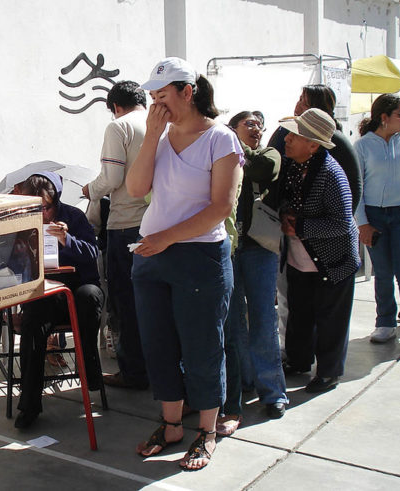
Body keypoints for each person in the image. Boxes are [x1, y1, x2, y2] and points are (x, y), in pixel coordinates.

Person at [127, 57, 243, 470]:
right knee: (158, 344)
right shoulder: (157, 138)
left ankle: (207, 431)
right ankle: (171, 424)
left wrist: (164, 238)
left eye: (163, 97)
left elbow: (220, 207)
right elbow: (137, 188)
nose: (157, 106)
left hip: (199, 257)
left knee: (202, 347)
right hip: (153, 256)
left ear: (187, 92)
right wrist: (151, 135)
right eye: (153, 99)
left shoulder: (221, 139)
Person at [268, 84, 361, 354]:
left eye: (294, 136)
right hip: (301, 258)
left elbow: (343, 222)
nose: (286, 139)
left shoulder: (331, 174)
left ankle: (328, 372)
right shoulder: (296, 166)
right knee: (299, 313)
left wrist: (301, 227)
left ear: (312, 145)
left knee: (330, 320)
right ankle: (298, 360)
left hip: (332, 260)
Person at [13, 172, 104, 429]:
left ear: (56, 201)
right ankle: (29, 405)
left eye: (47, 207)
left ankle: (90, 372)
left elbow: (92, 253)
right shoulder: (23, 221)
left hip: (77, 288)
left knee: (89, 298)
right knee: (32, 324)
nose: (43, 213)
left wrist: (67, 240)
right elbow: (9, 263)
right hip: (45, 293)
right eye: (37, 208)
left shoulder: (73, 217)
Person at [217, 111, 287, 437]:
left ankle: (273, 393)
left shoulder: (269, 152)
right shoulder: (225, 154)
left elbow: (266, 168)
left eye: (260, 124)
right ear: (233, 129)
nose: (257, 129)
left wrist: (232, 150)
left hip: (259, 247)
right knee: (233, 323)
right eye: (249, 124)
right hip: (230, 248)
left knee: (262, 318)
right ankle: (244, 382)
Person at [82, 80, 149, 390]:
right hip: (160, 223)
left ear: (116, 107)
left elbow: (111, 177)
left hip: (126, 224)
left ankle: (134, 372)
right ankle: (160, 369)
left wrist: (89, 190)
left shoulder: (119, 127)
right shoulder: (160, 123)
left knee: (126, 301)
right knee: (155, 302)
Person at [354, 94, 400, 343]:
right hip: (374, 215)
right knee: (382, 271)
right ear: (384, 118)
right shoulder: (363, 146)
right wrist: (362, 222)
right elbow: (358, 188)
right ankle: (385, 321)